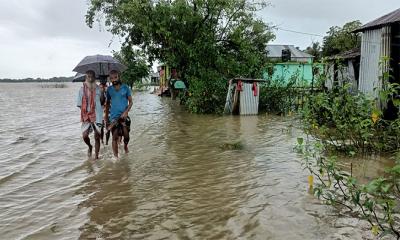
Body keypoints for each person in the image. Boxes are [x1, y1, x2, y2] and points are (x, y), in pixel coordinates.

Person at [77, 70, 105, 159]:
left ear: (94, 77)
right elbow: (79, 105)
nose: (90, 78)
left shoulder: (98, 88)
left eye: (92, 76)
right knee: (85, 136)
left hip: (98, 115)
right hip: (86, 115)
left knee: (97, 136)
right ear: (86, 77)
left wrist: (102, 93)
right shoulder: (82, 90)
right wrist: (87, 113)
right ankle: (90, 146)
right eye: (88, 76)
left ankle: (96, 156)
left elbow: (102, 102)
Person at [105, 70, 133, 158]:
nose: (114, 80)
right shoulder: (109, 90)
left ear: (119, 77)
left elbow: (131, 102)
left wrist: (126, 112)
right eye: (111, 78)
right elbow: (107, 104)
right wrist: (106, 117)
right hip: (113, 117)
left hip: (124, 116)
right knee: (114, 136)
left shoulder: (125, 88)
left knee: (126, 135)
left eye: (115, 77)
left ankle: (125, 146)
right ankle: (116, 157)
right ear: (110, 79)